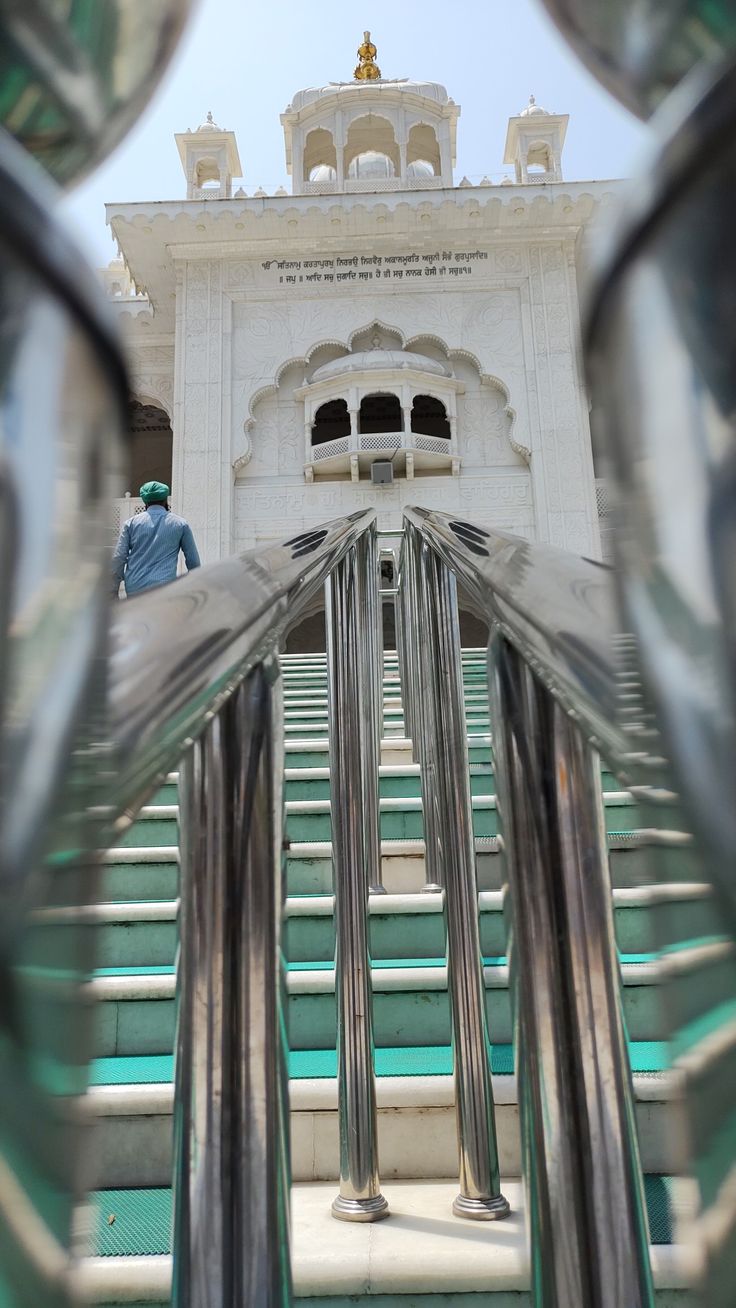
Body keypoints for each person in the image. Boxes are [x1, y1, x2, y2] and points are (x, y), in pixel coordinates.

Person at [112, 481, 201, 597]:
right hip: (164, 589)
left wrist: (113, 590)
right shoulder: (180, 524)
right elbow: (193, 561)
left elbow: (119, 557)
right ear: (165, 500)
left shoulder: (131, 524)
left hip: (135, 588)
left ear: (145, 502)